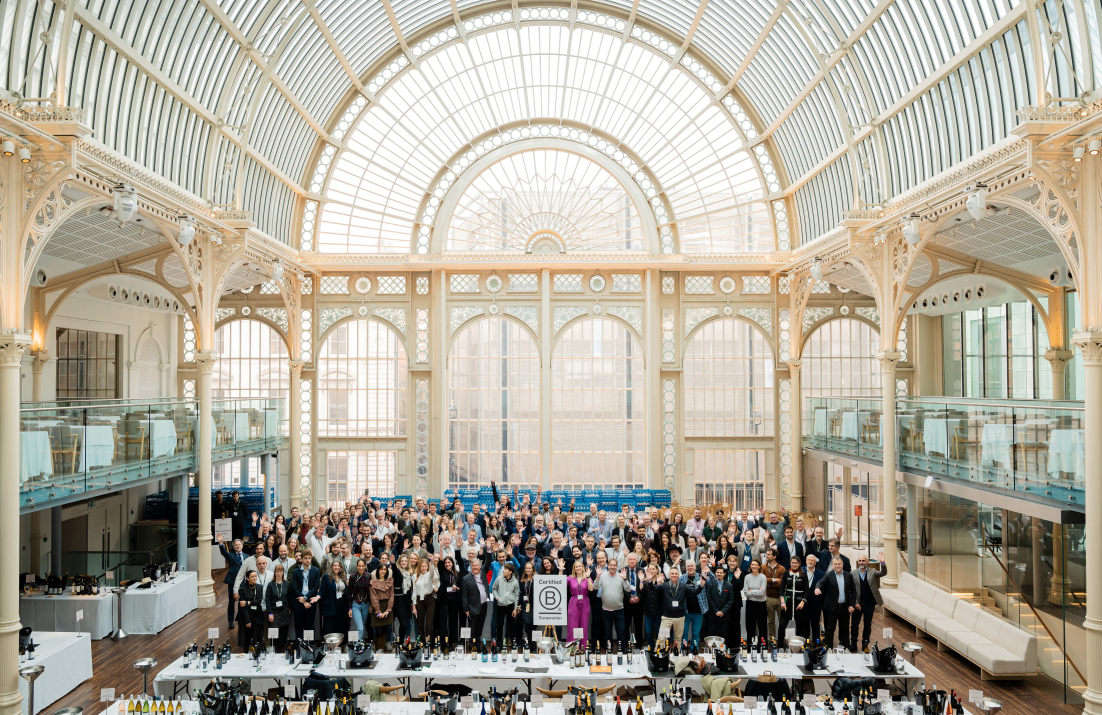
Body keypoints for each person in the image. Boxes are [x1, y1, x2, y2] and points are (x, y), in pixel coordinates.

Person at [849, 550, 887, 652]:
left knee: (867, 625)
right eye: (860, 561)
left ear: (867, 562)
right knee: (854, 624)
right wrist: (855, 603)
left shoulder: (872, 572)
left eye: (863, 560)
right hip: (858, 604)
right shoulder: (852, 573)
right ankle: (853, 643)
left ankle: (865, 644)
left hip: (870, 604)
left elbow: (883, 573)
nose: (861, 562)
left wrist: (882, 562)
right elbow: (851, 590)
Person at [816, 556, 856, 650]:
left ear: (842, 564)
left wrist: (852, 605)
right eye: (835, 564)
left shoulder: (848, 576)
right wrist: (817, 588)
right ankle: (829, 649)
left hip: (845, 608)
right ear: (832, 565)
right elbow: (820, 582)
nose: (837, 566)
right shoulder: (828, 575)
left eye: (839, 564)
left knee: (845, 629)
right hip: (831, 607)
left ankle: (845, 649)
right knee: (830, 628)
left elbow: (854, 592)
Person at [655, 565, 700, 642]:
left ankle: (677, 650)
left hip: (679, 618)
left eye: (676, 573)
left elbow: (695, 592)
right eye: (672, 573)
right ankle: (661, 650)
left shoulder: (683, 586)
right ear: (669, 575)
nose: (674, 575)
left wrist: (702, 584)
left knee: (678, 639)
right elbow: (653, 588)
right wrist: (650, 581)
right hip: (667, 618)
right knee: (662, 638)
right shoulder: (665, 585)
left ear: (679, 575)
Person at [597, 558, 633, 651]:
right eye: (611, 565)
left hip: (619, 610)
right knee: (607, 633)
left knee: (621, 632)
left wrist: (625, 579)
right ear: (608, 566)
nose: (612, 567)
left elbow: (628, 589)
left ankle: (622, 650)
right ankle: (609, 650)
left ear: (617, 566)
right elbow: (595, 587)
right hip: (606, 610)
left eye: (614, 565)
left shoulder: (621, 576)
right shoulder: (602, 576)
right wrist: (597, 576)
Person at [291, 551, 321, 639]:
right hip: (298, 601)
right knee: (298, 626)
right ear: (302, 559)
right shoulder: (296, 571)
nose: (307, 560)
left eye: (309, 558)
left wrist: (305, 598)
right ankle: (299, 645)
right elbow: (294, 587)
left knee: (310, 626)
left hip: (310, 601)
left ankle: (310, 645)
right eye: (305, 558)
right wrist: (303, 600)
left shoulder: (316, 570)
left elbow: (316, 587)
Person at [460, 553, 490, 641]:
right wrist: (466, 609)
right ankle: (471, 645)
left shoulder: (483, 573)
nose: (475, 567)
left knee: (480, 627)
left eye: (477, 565)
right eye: (473, 566)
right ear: (471, 567)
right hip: (472, 607)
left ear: (480, 566)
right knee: (472, 628)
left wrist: (488, 550)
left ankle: (477, 644)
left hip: (483, 605)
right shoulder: (466, 578)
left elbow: (488, 562)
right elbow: (464, 595)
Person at [217, 535, 244, 630]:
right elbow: (223, 552)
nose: (238, 546)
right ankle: (231, 621)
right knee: (232, 602)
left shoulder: (246, 556)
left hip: (244, 582)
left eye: (239, 544)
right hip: (233, 581)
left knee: (242, 602)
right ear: (233, 547)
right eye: (236, 545)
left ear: (242, 546)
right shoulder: (230, 556)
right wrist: (220, 542)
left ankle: (241, 619)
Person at [777, 556, 807, 641]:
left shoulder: (804, 575)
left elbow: (807, 591)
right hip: (787, 603)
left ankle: (799, 646)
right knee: (782, 624)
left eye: (796, 563)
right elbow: (782, 588)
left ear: (799, 564)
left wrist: (802, 602)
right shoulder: (786, 574)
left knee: (800, 626)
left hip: (799, 604)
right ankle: (780, 645)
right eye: (792, 563)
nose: (794, 564)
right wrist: (782, 601)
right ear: (790, 563)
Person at [412, 557, 440, 642]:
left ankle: (429, 643)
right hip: (419, 600)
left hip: (429, 600)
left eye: (425, 566)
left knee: (429, 624)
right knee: (420, 623)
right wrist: (414, 606)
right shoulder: (414, 576)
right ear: (419, 567)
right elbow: (414, 591)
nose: (423, 568)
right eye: (422, 566)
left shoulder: (429, 575)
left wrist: (431, 561)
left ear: (427, 567)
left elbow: (432, 571)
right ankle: (422, 642)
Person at [266, 563, 293, 651]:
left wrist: (289, 608)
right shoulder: (270, 584)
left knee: (282, 631)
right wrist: (270, 613)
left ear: (283, 572)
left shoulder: (286, 583)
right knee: (273, 632)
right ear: (274, 572)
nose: (279, 573)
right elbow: (267, 599)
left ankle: (279, 650)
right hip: (273, 611)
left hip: (284, 611)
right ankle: (273, 650)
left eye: (281, 571)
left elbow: (289, 597)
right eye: (277, 571)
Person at [705, 563, 735, 641]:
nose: (719, 574)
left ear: (724, 574)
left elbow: (731, 600)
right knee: (712, 635)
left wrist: (722, 611)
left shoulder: (729, 585)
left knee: (723, 636)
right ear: (715, 573)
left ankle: (722, 648)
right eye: (717, 572)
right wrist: (716, 611)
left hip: (724, 615)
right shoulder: (710, 584)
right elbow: (709, 598)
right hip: (713, 614)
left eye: (721, 572)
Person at [369, 561, 395, 651]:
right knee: (378, 631)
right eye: (381, 569)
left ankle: (382, 648)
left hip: (387, 606)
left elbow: (391, 596)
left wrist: (388, 610)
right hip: (377, 607)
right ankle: (377, 649)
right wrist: (378, 611)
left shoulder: (389, 581)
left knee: (385, 630)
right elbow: (373, 598)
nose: (383, 571)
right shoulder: (373, 582)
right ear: (378, 571)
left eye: (384, 569)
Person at [319, 560, 349, 637]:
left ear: (341, 567)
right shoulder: (326, 577)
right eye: (335, 565)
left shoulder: (343, 577)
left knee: (340, 623)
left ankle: (341, 641)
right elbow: (322, 591)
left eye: (338, 566)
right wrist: (317, 597)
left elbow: (345, 591)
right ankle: (329, 641)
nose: (337, 567)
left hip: (341, 603)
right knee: (330, 624)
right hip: (330, 603)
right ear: (332, 567)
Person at [567, 559, 594, 645]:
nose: (578, 568)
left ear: (583, 567)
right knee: (572, 626)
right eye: (576, 567)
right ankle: (572, 648)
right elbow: (560, 582)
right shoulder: (570, 578)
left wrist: (588, 577)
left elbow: (591, 589)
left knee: (584, 626)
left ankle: (582, 648)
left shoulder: (587, 578)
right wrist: (560, 569)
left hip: (585, 602)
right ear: (574, 568)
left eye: (580, 566)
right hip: (573, 602)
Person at [762, 548, 786, 642]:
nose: (766, 556)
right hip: (769, 598)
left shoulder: (782, 568)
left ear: (774, 556)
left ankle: (781, 640)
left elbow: (782, 584)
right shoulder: (763, 567)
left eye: (768, 554)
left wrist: (768, 583)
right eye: (766, 554)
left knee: (782, 621)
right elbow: (762, 581)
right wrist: (774, 580)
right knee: (770, 621)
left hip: (780, 598)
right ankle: (772, 640)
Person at [491, 561, 520, 642]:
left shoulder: (515, 581)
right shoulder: (499, 579)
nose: (503, 570)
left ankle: (513, 641)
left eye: (506, 569)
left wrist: (515, 608)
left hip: (511, 605)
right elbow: (494, 589)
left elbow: (516, 595)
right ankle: (499, 642)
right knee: (500, 624)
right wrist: (497, 598)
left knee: (512, 624)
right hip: (500, 605)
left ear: (510, 572)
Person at [347, 558, 373, 643]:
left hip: (366, 604)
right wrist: (350, 608)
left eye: (362, 566)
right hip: (356, 604)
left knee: (363, 625)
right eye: (359, 566)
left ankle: (360, 642)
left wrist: (371, 605)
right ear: (356, 566)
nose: (361, 568)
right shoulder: (353, 577)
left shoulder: (369, 576)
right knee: (360, 627)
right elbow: (349, 593)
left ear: (365, 566)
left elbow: (371, 592)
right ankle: (357, 645)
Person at [437, 555, 462, 644]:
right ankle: (444, 642)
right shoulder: (442, 572)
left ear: (452, 563)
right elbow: (440, 562)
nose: (447, 564)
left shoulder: (457, 573)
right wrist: (440, 547)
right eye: (446, 562)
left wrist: (456, 588)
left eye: (449, 562)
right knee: (443, 622)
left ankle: (453, 642)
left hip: (454, 600)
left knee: (453, 621)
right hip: (443, 600)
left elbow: (460, 587)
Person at [742, 559, 767, 644]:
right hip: (750, 604)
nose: (754, 566)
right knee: (750, 627)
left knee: (762, 627)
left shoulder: (763, 577)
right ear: (750, 566)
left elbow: (762, 593)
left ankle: (762, 647)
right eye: (752, 564)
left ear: (759, 566)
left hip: (761, 604)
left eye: (756, 565)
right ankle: (750, 647)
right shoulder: (747, 577)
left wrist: (751, 591)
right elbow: (746, 592)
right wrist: (757, 591)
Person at [237, 569, 263, 648]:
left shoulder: (259, 587)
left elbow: (259, 601)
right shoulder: (242, 589)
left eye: (255, 576)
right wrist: (247, 621)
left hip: (256, 614)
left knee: (256, 636)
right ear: (247, 578)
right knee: (247, 638)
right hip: (246, 615)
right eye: (252, 577)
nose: (255, 578)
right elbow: (243, 607)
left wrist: (247, 603)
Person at [394, 553, 415, 643]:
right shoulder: (397, 572)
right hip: (399, 601)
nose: (404, 562)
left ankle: (402, 642)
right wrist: (392, 562)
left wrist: (412, 603)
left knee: (406, 624)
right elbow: (395, 571)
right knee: (403, 624)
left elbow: (411, 590)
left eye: (405, 561)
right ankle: (400, 642)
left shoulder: (409, 574)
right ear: (399, 562)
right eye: (402, 561)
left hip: (407, 602)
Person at [517, 561, 536, 647]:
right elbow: (521, 594)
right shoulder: (522, 580)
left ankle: (533, 645)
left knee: (531, 627)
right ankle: (531, 644)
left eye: (530, 568)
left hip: (533, 606)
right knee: (526, 627)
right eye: (526, 568)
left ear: (533, 569)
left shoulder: (536, 580)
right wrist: (519, 605)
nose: (528, 570)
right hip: (524, 606)